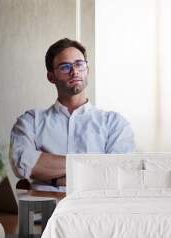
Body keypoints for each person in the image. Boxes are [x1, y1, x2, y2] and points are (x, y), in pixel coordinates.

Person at [9, 38, 135, 192]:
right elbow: (22, 163)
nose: (74, 71)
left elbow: (118, 175)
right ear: (51, 76)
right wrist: (94, 166)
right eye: (65, 67)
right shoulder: (31, 121)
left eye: (79, 64)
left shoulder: (115, 124)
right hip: (45, 211)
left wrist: (52, 178)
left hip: (95, 212)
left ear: (87, 69)